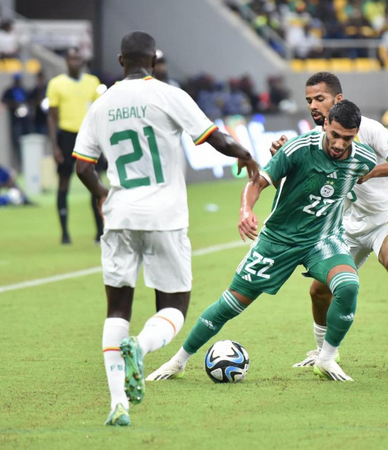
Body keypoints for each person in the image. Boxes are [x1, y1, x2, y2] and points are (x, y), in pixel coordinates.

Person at [71, 31, 260, 427]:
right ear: (153, 61)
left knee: (117, 307)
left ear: (121, 61)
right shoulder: (169, 94)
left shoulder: (100, 105)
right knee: (173, 307)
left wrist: (104, 196)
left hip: (120, 215)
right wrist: (245, 154)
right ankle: (139, 348)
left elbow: (83, 167)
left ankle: (117, 401)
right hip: (165, 218)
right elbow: (215, 139)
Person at [147, 100, 377, 386]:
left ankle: (326, 358)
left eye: (348, 138)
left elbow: (368, 178)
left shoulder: (363, 159)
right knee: (231, 304)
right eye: (335, 135)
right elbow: (257, 182)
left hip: (322, 239)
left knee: (348, 285)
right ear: (326, 125)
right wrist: (246, 210)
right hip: (278, 241)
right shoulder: (298, 149)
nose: (340, 144)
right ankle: (178, 361)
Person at [272, 72, 388, 376]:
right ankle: (324, 353)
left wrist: (370, 172)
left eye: (320, 98)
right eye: (309, 100)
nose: (313, 106)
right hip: (347, 225)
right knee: (318, 291)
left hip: (385, 217)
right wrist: (282, 160)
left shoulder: (367, 129)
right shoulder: (316, 139)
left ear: (337, 99)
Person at [47, 47, 105, 245]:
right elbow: (52, 117)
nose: (75, 62)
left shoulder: (93, 82)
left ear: (83, 61)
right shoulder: (56, 84)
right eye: (71, 58)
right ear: (66, 61)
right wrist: (54, 145)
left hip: (90, 136)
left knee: (95, 181)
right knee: (64, 183)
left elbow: (100, 113)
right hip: (67, 136)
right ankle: (64, 233)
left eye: (78, 59)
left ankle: (100, 231)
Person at [1, 73, 30, 160]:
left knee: (27, 139)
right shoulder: (10, 91)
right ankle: (18, 160)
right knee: (16, 141)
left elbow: (29, 101)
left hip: (25, 121)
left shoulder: (24, 90)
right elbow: (3, 100)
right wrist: (14, 105)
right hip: (15, 120)